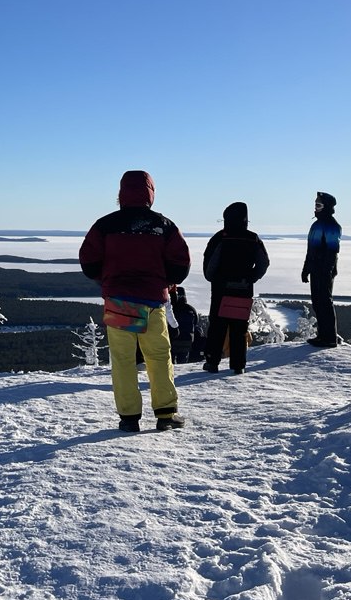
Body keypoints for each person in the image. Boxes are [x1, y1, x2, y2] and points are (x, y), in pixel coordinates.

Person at [79, 170, 191, 432]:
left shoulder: (105, 225)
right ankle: (166, 413)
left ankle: (129, 418)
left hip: (119, 302)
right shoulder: (163, 225)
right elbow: (180, 265)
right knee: (159, 356)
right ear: (150, 193)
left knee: (123, 359)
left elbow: (89, 262)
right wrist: (164, 280)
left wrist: (107, 280)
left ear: (121, 193)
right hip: (153, 301)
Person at [202, 201, 270, 375]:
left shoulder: (220, 238)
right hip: (244, 289)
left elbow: (210, 267)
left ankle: (212, 362)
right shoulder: (253, 238)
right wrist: (251, 278)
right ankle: (238, 365)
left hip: (221, 290)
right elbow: (263, 263)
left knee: (217, 326)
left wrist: (216, 279)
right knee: (239, 328)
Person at [302, 191, 341, 348]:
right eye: (315, 205)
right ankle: (322, 335)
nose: (315, 208)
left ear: (327, 206)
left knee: (325, 301)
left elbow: (332, 251)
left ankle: (330, 337)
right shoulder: (317, 225)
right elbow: (311, 250)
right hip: (316, 268)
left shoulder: (331, 225)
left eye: (319, 205)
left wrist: (327, 270)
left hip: (324, 269)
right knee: (317, 302)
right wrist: (306, 269)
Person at [168, 286, 201, 364]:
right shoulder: (191, 309)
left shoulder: (170, 309)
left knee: (170, 361)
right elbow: (196, 322)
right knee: (182, 361)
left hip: (172, 339)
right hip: (187, 340)